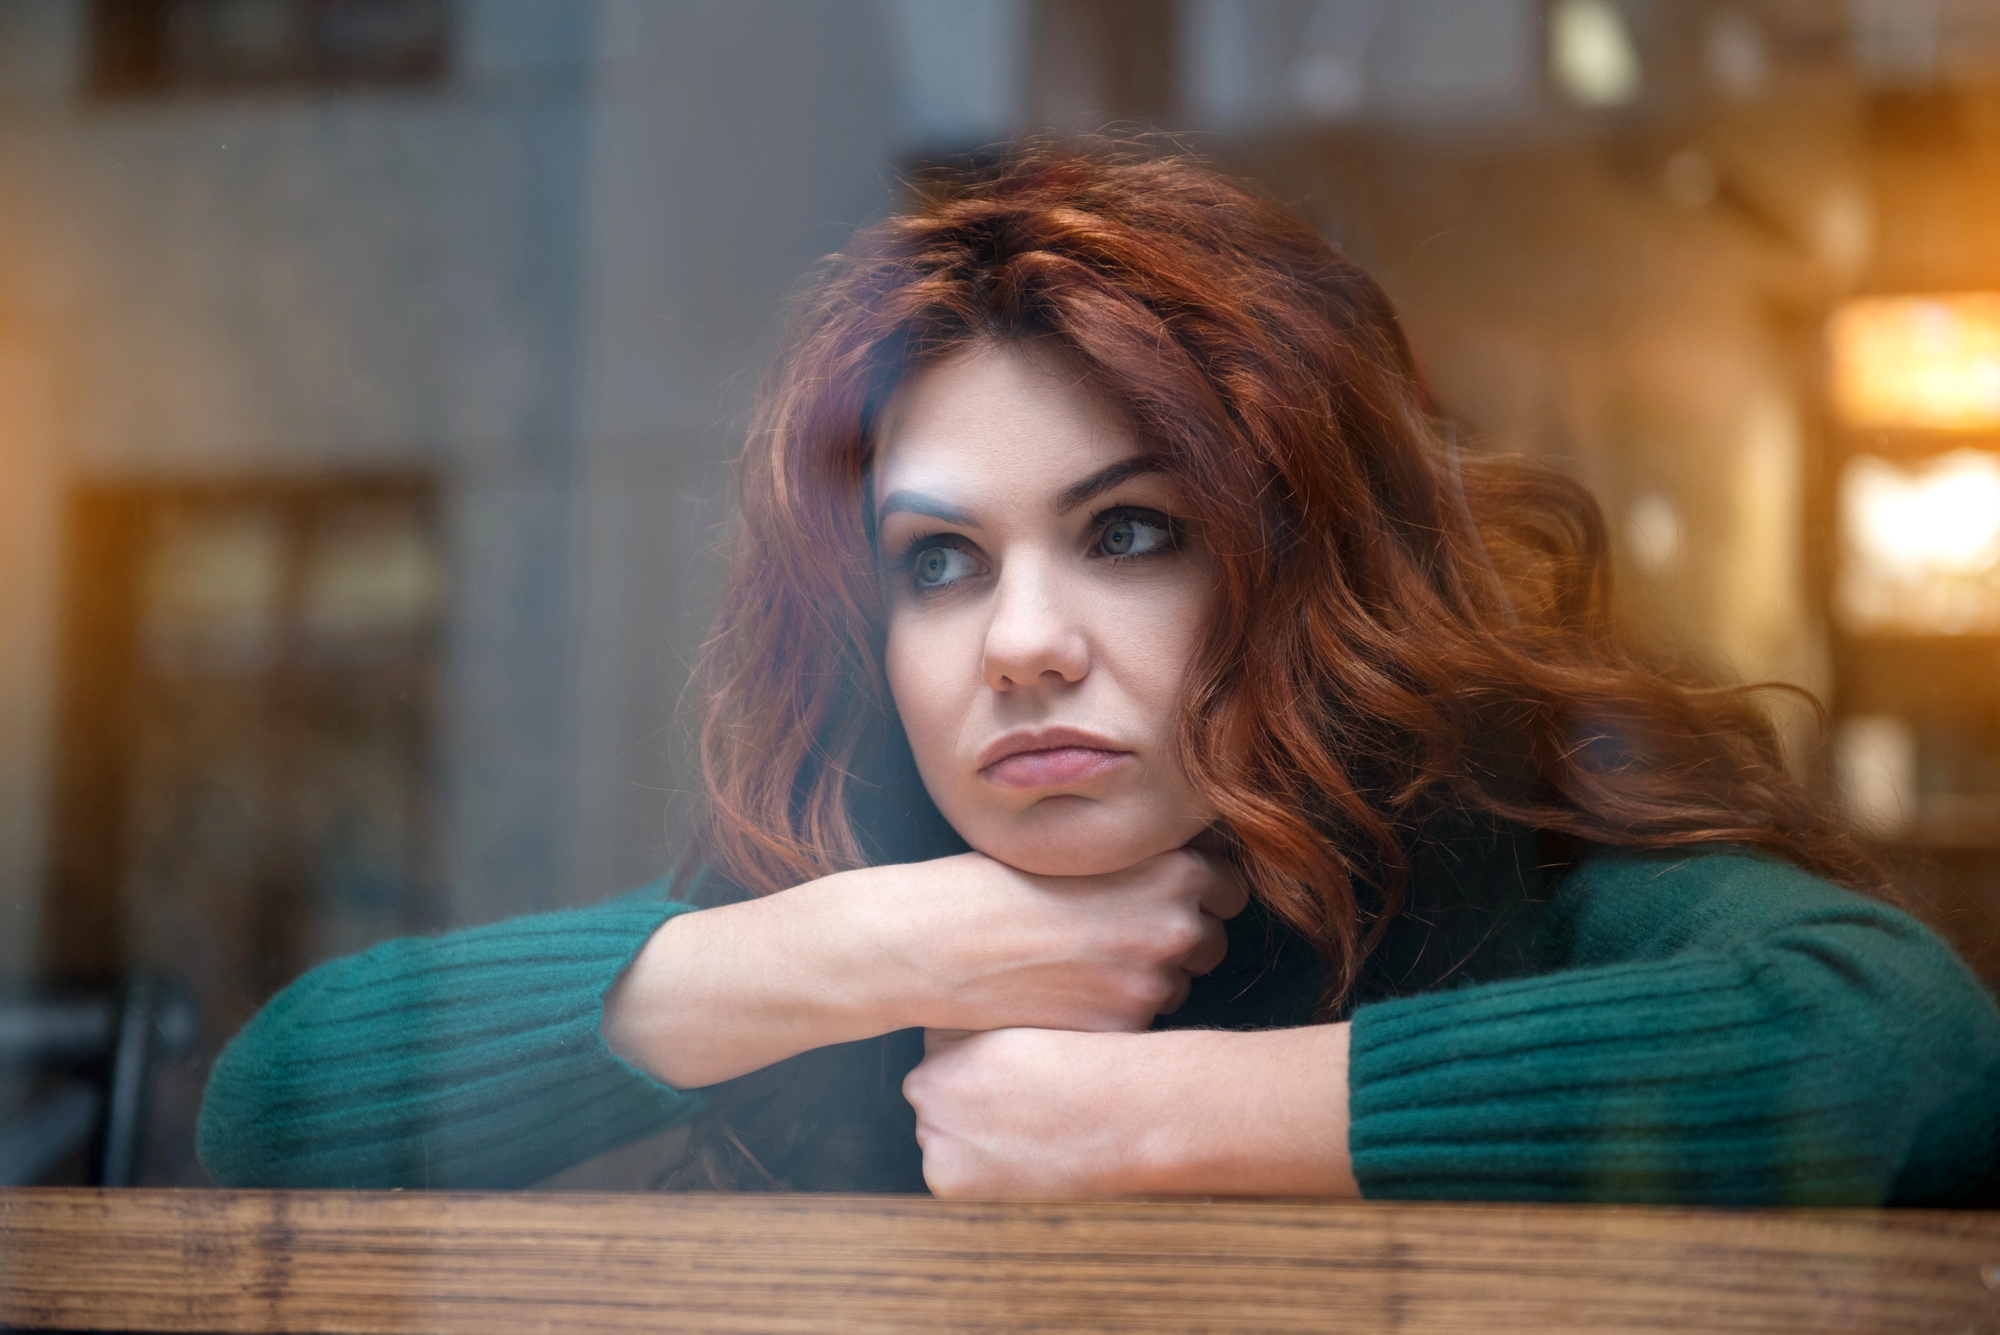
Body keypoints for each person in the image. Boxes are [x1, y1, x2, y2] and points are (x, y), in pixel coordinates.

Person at [197, 141, 2000, 1204]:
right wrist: (872, 948)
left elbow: (1911, 1050)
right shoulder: (858, 902)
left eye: (1132, 533)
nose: (1024, 640)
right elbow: (277, 1106)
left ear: (1300, 560)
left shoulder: (1494, 856)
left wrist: (1170, 1119)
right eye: (938, 563)